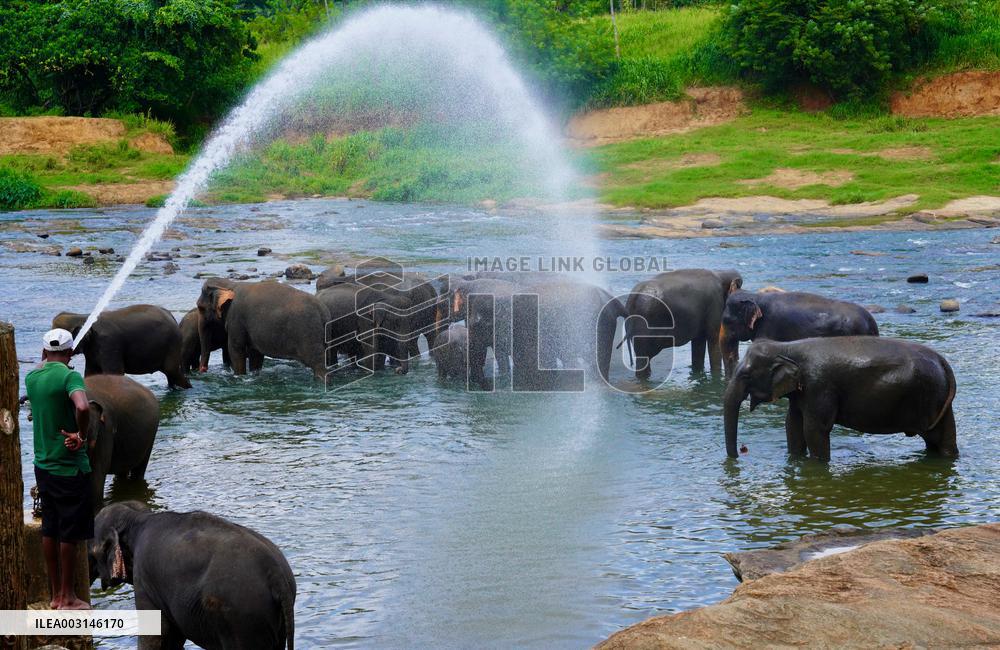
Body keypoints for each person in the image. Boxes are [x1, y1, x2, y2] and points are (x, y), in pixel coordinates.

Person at [24, 328, 93, 610]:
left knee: (50, 528)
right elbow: (84, 407)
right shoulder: (70, 376)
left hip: (43, 465)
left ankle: (54, 595)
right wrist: (81, 434)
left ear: (43, 352)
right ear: (70, 353)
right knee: (70, 532)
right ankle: (68, 596)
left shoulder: (31, 378)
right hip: (69, 468)